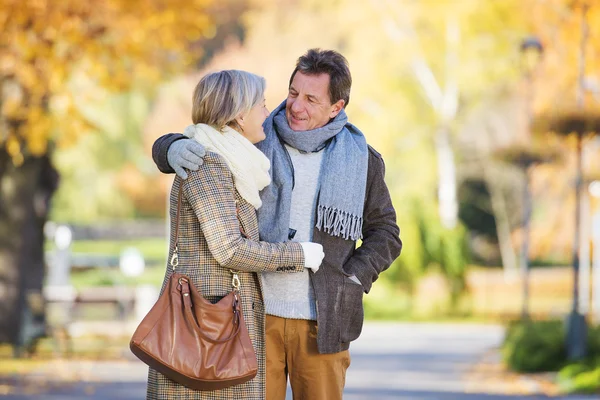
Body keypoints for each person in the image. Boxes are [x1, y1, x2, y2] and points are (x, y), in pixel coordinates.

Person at [152, 49, 402, 400]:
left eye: (311, 99)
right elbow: (205, 135)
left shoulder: (362, 160)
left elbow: (386, 234)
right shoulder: (252, 139)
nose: (295, 107)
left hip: (322, 324)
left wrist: (352, 278)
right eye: (293, 93)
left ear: (337, 107)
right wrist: (170, 148)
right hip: (252, 318)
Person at [146, 69, 325, 400]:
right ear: (240, 115)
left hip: (213, 327)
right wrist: (300, 255)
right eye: (261, 104)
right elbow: (228, 249)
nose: (266, 112)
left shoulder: (231, 160)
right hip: (206, 327)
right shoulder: (209, 163)